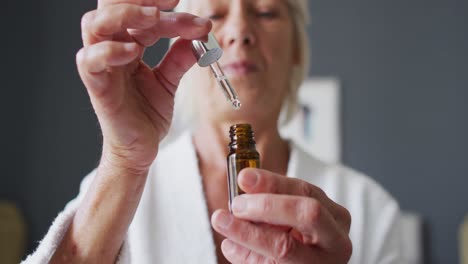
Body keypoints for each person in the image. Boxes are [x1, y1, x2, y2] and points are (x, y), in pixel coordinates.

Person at [23, 0, 402, 263]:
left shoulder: (369, 208)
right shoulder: (117, 188)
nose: (238, 30)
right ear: (182, 47)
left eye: (267, 12)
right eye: (216, 14)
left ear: (298, 51)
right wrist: (124, 159)